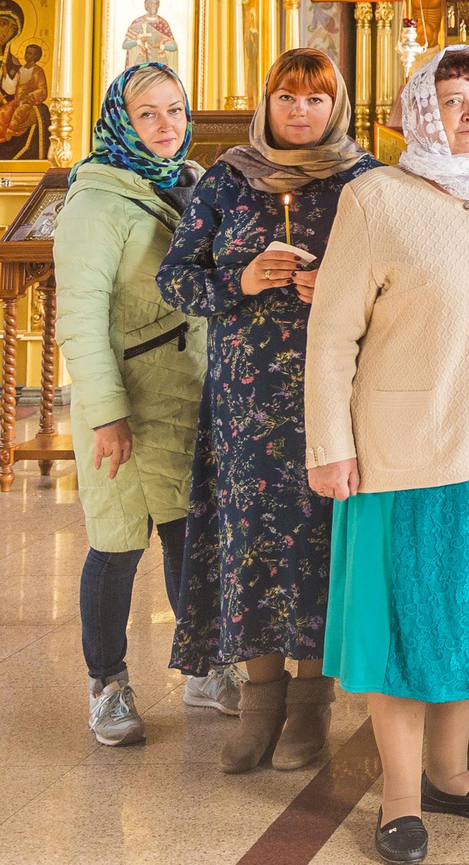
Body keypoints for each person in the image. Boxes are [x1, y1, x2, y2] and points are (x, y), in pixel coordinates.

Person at [306, 46, 469, 865]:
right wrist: (329, 445)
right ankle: (398, 798)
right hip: (411, 449)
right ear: (418, 107)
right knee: (407, 624)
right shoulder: (376, 197)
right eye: (448, 99)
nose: (466, 113)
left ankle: (453, 774)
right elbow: (332, 332)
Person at [161, 48, 377, 774]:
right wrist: (242, 276)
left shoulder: (366, 181)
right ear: (268, 103)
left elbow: (405, 284)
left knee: (318, 544)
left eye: (316, 99)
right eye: (286, 97)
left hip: (331, 400)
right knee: (249, 540)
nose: (300, 111)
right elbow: (175, 279)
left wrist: (342, 290)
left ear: (336, 106)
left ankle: (311, 704)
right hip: (245, 402)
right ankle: (260, 698)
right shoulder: (229, 178)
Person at [55, 64, 232, 746]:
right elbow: (79, 315)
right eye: (149, 114)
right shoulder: (95, 203)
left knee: (188, 535)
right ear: (120, 121)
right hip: (124, 403)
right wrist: (106, 412)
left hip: (185, 392)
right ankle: (107, 684)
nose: (166, 126)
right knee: (118, 545)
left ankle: (203, 667)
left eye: (175, 110)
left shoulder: (187, 181)